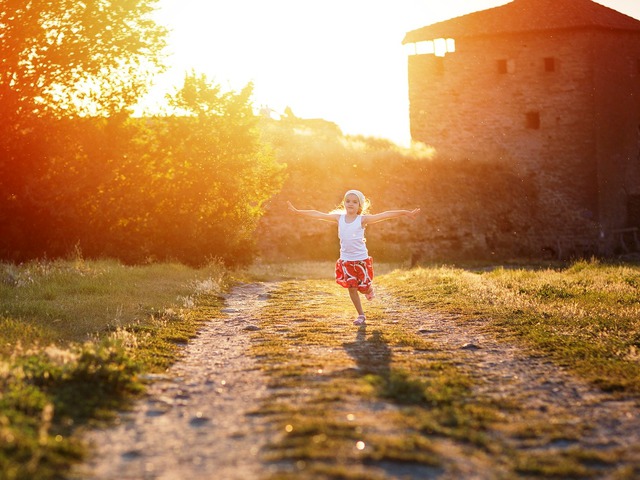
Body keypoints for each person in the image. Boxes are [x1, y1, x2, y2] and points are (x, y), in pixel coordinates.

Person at [287, 190, 420, 326]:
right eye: (348, 201)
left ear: (359, 205)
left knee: (363, 288)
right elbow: (317, 214)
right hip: (346, 261)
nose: (350, 204)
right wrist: (298, 212)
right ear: (344, 203)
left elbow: (385, 215)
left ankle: (369, 290)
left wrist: (405, 212)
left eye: (354, 202)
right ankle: (361, 315)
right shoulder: (338, 218)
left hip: (361, 260)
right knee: (352, 287)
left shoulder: (362, 220)